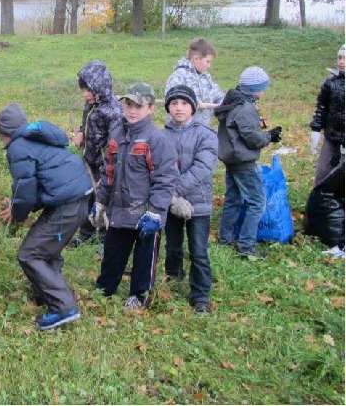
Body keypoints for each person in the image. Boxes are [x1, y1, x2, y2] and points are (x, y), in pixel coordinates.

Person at [0, 103, 93, 330]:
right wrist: (19, 206)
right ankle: (46, 292)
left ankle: (63, 307)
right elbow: (42, 181)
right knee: (47, 246)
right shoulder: (36, 138)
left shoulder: (17, 147)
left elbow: (26, 190)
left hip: (66, 205)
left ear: (3, 134)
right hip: (78, 197)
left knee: (29, 254)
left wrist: (17, 213)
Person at [92, 83, 178, 310]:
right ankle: (105, 288)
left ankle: (139, 295)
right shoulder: (117, 134)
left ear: (150, 109)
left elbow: (165, 179)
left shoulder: (156, 140)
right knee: (112, 253)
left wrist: (156, 212)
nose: (131, 110)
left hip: (145, 214)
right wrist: (101, 201)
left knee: (144, 258)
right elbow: (108, 171)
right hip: (119, 210)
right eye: (128, 104)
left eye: (138, 106)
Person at [214, 66, 282, 260]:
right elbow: (251, 137)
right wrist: (269, 136)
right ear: (254, 89)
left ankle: (226, 237)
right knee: (257, 202)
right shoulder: (244, 108)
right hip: (243, 161)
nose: (265, 91)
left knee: (234, 198)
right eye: (263, 87)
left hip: (232, 158)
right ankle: (246, 245)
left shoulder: (234, 101)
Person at [162, 85, 218, 314]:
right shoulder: (162, 134)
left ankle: (201, 295)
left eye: (184, 103)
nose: (179, 108)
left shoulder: (206, 134)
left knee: (198, 250)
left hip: (198, 202)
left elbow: (203, 167)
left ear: (193, 107)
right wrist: (171, 198)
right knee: (173, 245)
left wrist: (175, 190)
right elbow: (159, 166)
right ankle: (173, 278)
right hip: (171, 202)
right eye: (174, 103)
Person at [69, 60, 122, 247]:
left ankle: (104, 241)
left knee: (104, 200)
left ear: (99, 88)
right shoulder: (92, 103)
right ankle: (85, 235)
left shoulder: (113, 111)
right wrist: (81, 132)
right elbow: (86, 119)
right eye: (83, 90)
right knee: (87, 197)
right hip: (89, 160)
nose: (85, 95)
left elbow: (114, 146)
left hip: (105, 165)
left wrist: (106, 171)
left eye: (88, 90)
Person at [164, 38, 225, 126]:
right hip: (181, 131)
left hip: (202, 130)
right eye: (207, 62)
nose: (209, 66)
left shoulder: (206, 77)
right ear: (196, 59)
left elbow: (218, 95)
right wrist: (195, 103)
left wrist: (230, 101)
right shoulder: (179, 76)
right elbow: (172, 100)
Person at [310, 45, 345, 187]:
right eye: (339, 58)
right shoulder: (330, 82)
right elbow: (322, 107)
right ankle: (318, 205)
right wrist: (316, 129)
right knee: (323, 174)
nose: (341, 62)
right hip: (332, 136)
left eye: (345, 58)